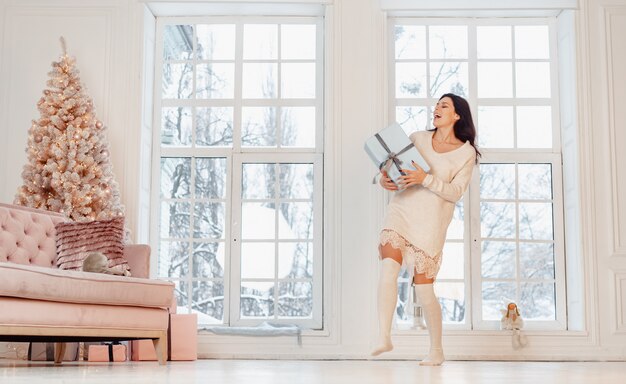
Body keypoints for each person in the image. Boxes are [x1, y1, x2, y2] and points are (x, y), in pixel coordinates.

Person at [372, 93, 481, 365]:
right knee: (388, 266)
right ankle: (384, 336)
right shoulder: (418, 137)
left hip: (430, 223)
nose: (437, 108)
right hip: (401, 211)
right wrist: (382, 179)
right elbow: (392, 167)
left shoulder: (466, 153)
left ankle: (436, 350)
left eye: (444, 105)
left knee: (424, 291)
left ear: (457, 115)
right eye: (436, 105)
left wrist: (426, 179)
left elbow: (455, 192)